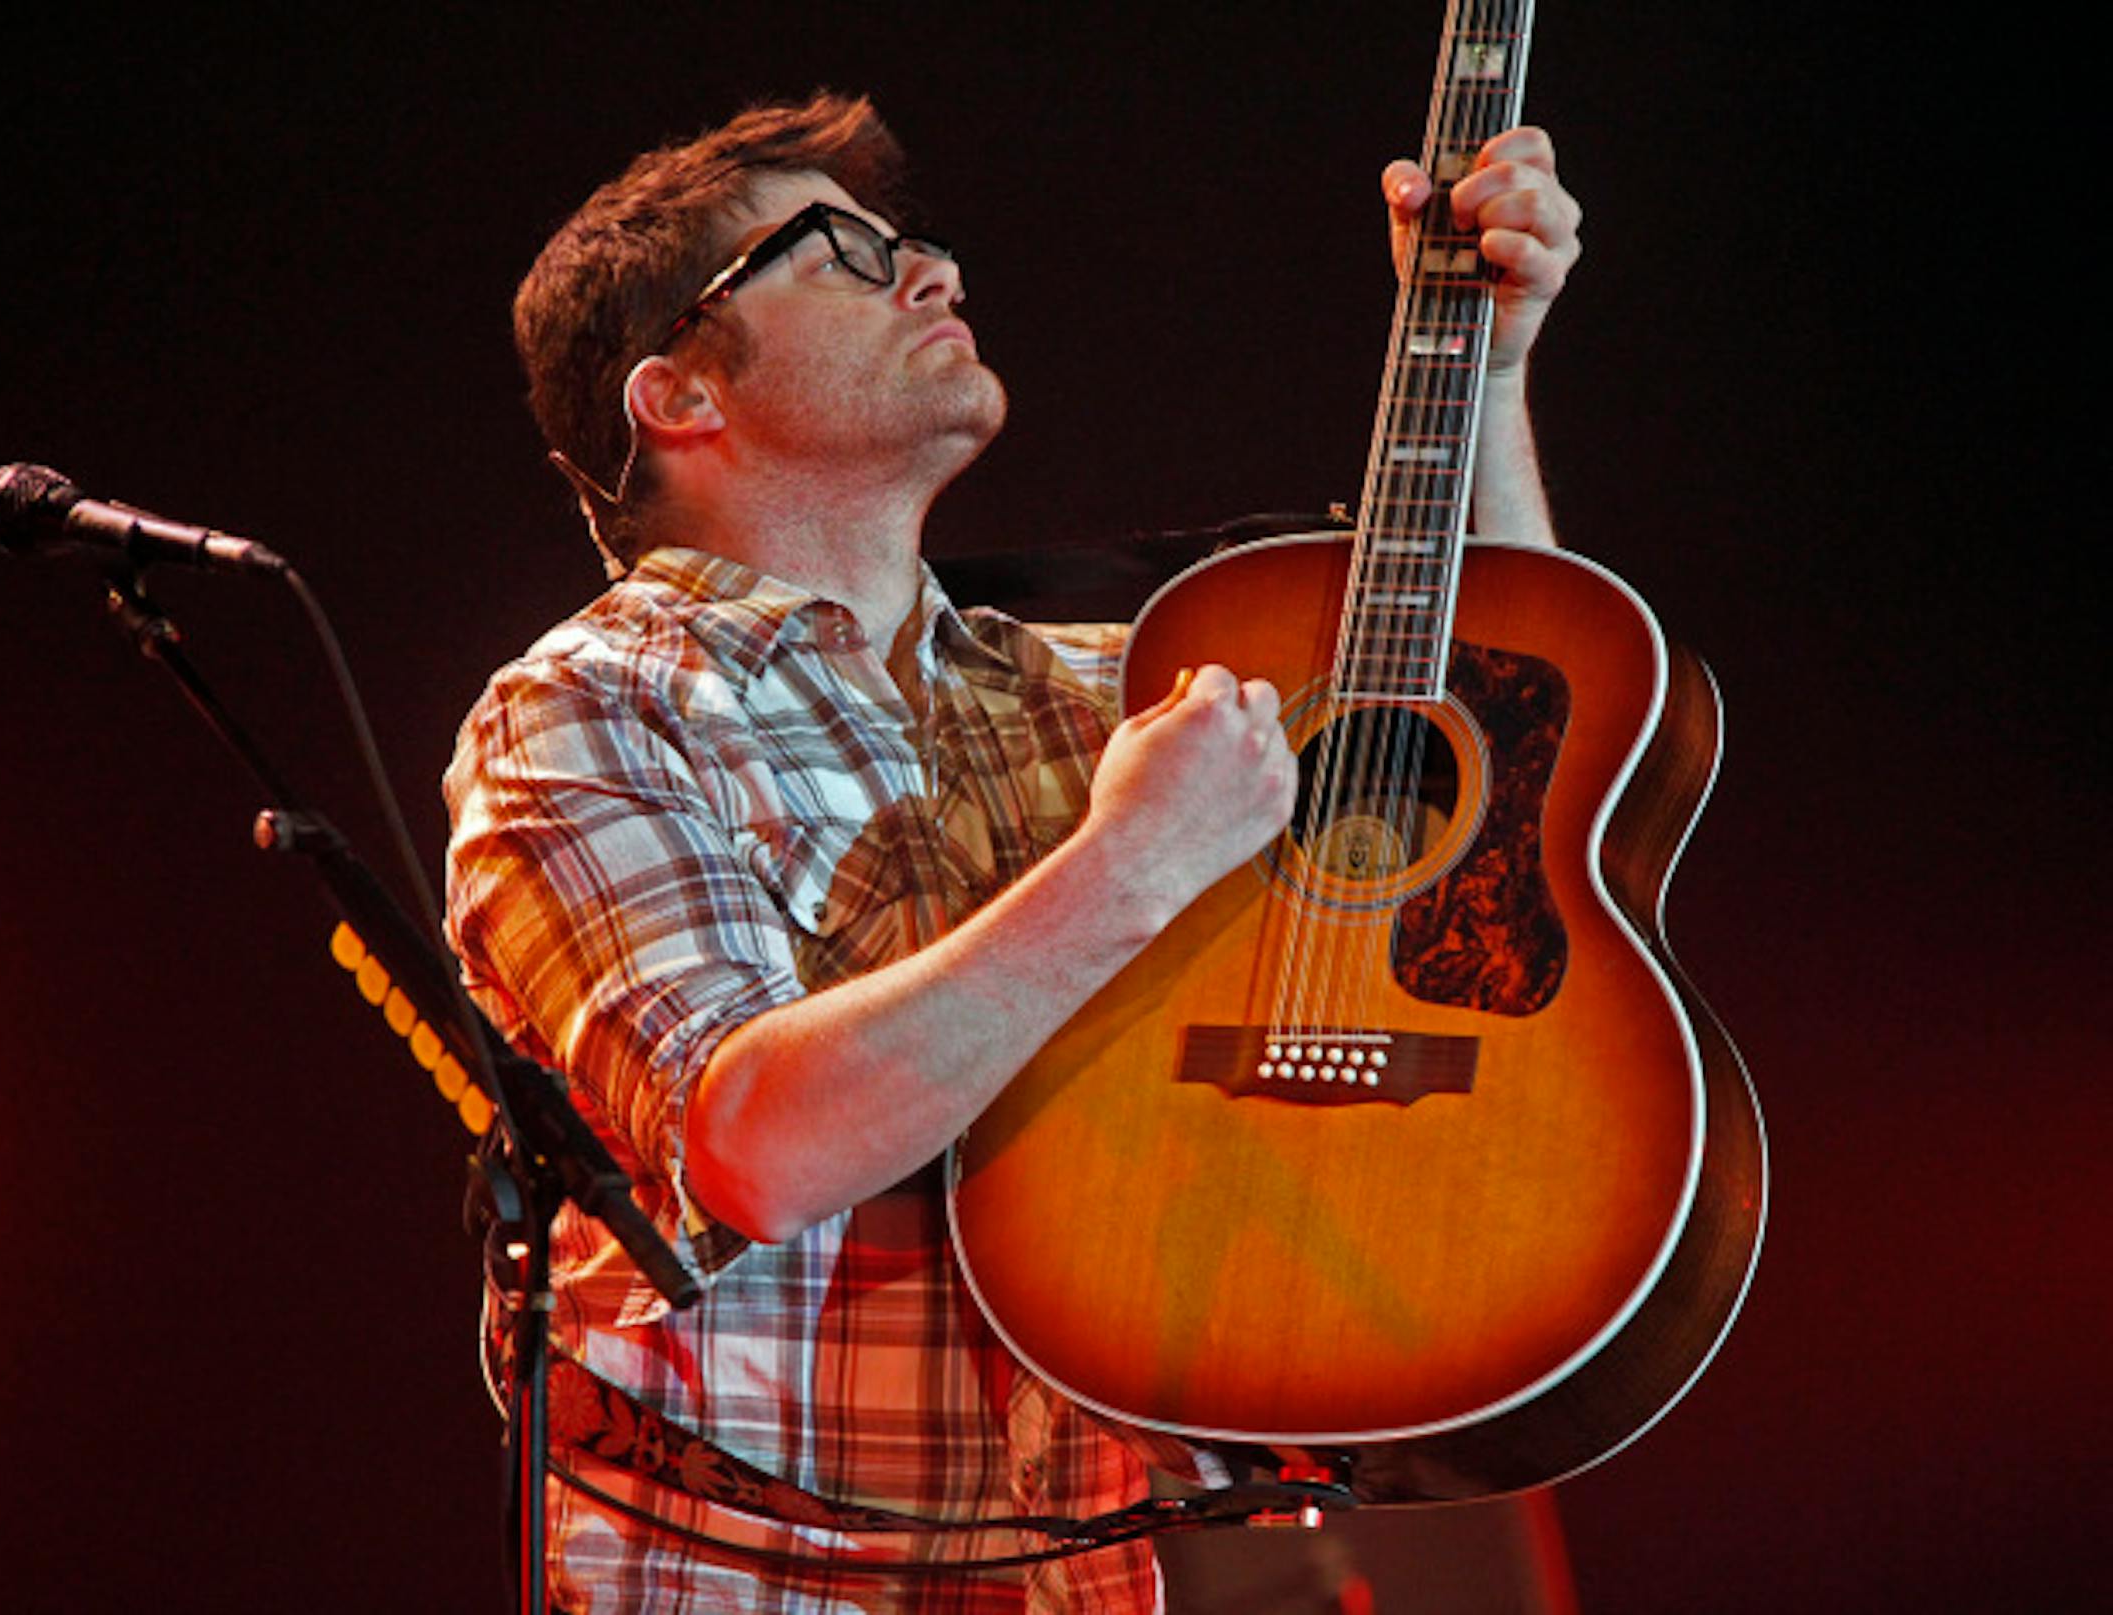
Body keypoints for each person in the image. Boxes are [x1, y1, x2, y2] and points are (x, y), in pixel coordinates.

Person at [444, 91, 1582, 1614]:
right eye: (840, 254)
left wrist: (1489, 372)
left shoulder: (1094, 690)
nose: (936, 274)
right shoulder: (586, 709)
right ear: (679, 397)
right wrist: (1128, 864)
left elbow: (1494, 735)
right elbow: (760, 1145)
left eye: (918, 245)